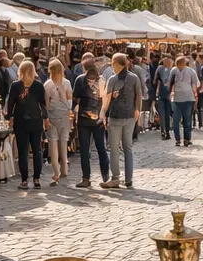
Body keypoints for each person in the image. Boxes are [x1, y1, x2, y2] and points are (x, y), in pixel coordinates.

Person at [5, 60, 48, 190]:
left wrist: (9, 117)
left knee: (23, 151)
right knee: (37, 150)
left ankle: (24, 180)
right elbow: (43, 104)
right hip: (35, 120)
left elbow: (11, 103)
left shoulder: (16, 85)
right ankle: (36, 179)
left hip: (21, 120)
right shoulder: (38, 85)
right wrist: (45, 118)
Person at [103, 52, 142, 189]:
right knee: (128, 148)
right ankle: (128, 179)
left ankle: (115, 178)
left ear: (116, 64)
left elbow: (106, 99)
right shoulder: (134, 78)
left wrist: (103, 113)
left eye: (112, 63)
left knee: (114, 149)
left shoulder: (113, 80)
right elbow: (139, 96)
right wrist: (137, 111)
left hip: (115, 117)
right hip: (130, 117)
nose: (112, 66)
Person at [73, 59, 109, 188]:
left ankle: (88, 178)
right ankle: (103, 176)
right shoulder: (101, 81)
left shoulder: (81, 80)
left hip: (88, 120)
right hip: (94, 120)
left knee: (88, 150)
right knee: (98, 148)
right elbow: (105, 101)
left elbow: (75, 98)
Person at [44, 59, 73, 185]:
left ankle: (55, 172)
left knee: (53, 146)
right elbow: (70, 102)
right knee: (63, 143)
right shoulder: (66, 83)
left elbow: (46, 104)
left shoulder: (47, 85)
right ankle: (64, 170)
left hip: (52, 117)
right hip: (64, 117)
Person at [167, 54, 200, 147]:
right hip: (178, 99)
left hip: (187, 98)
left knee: (185, 120)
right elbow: (170, 82)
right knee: (179, 120)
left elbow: (196, 84)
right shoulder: (174, 70)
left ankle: (185, 139)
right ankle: (179, 139)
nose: (179, 66)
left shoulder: (190, 71)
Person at [151, 53, 173, 140]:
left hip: (160, 93)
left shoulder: (159, 68)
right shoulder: (172, 69)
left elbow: (154, 81)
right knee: (168, 114)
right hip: (170, 93)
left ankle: (163, 132)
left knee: (162, 114)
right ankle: (167, 132)